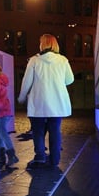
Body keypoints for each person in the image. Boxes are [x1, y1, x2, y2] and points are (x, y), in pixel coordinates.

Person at [17, 33, 74, 168]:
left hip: (38, 102)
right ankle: (55, 160)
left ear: (43, 44)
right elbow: (70, 79)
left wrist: (22, 97)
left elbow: (26, 82)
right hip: (57, 103)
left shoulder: (34, 61)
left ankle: (40, 156)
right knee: (55, 130)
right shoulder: (63, 60)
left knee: (38, 130)